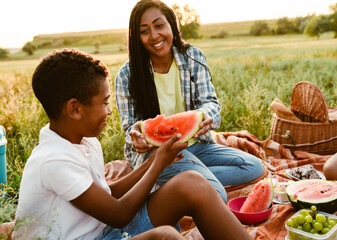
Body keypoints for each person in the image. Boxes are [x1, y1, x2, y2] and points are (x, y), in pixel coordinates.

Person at [12, 49, 251, 240]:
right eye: (104, 103)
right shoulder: (54, 160)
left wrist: (154, 160)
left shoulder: (85, 141)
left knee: (193, 183)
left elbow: (105, 194)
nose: (109, 111)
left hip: (104, 228)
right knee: (166, 236)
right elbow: (118, 214)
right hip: (100, 233)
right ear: (75, 109)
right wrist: (157, 164)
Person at [115, 0, 264, 203]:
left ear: (171, 26)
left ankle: (174, 181)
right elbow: (129, 127)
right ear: (137, 37)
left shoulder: (193, 57)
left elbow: (210, 102)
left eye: (159, 26)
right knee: (215, 193)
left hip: (196, 144)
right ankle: (175, 177)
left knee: (253, 166)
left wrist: (207, 117)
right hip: (157, 156)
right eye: (144, 31)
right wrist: (136, 135)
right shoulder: (126, 75)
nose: (154, 35)